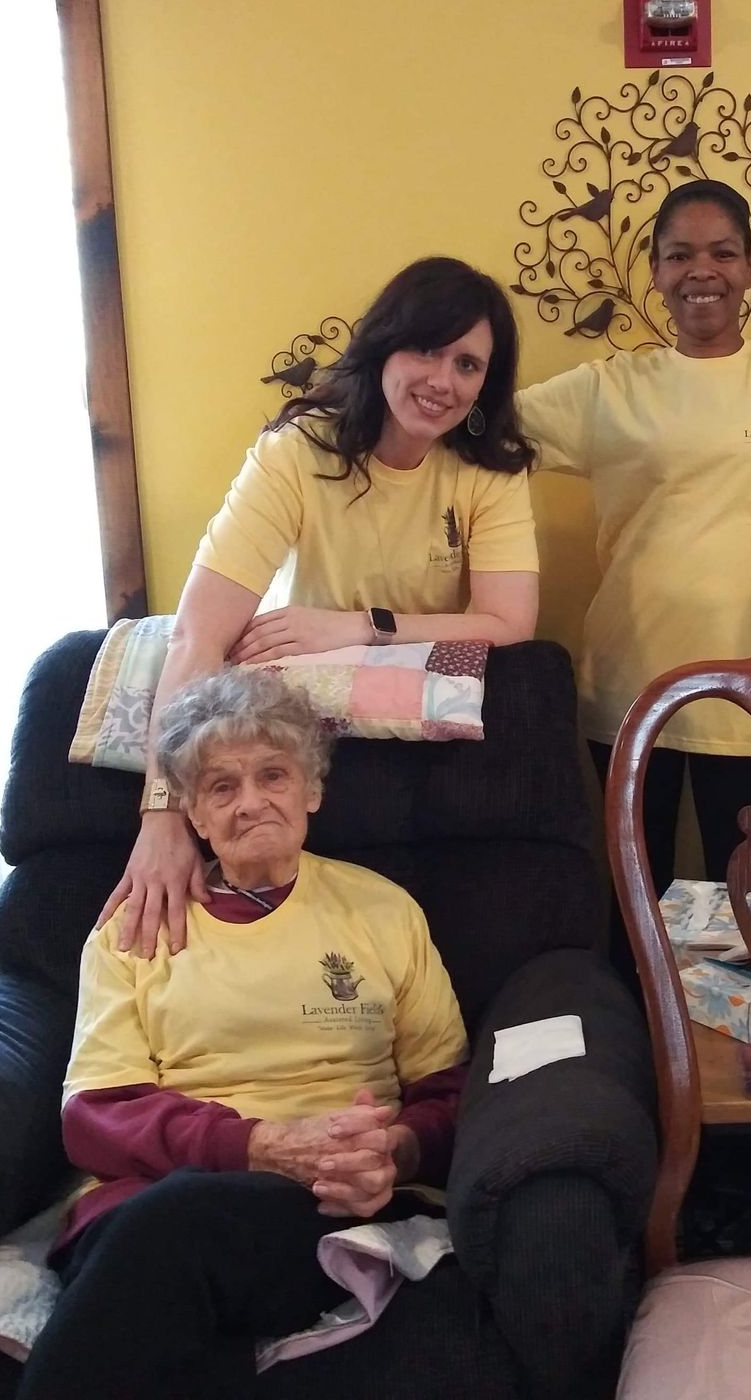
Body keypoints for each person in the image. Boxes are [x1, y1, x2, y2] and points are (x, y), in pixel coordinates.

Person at [18, 669, 469, 1400]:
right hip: (151, 1200)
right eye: (222, 787)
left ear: (312, 790)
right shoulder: (133, 929)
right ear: (193, 815)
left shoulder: (383, 911)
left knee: (170, 1243)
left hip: (326, 1204)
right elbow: (95, 1117)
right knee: (169, 1228)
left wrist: (393, 1150)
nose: (251, 801)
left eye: (273, 775)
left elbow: (449, 1090)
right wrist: (259, 1145)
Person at [104, 256, 539, 956]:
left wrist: (360, 627)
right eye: (426, 349)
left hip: (415, 745)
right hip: (289, 743)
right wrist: (162, 816)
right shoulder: (295, 454)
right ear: (385, 345)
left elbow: (511, 622)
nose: (443, 380)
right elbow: (197, 638)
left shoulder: (490, 471)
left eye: (467, 364)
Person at [517, 179, 751, 893]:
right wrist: (340, 411)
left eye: (722, 253)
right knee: (633, 902)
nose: (700, 271)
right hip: (630, 691)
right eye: (679, 255)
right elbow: (470, 425)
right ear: (655, 270)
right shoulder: (610, 388)